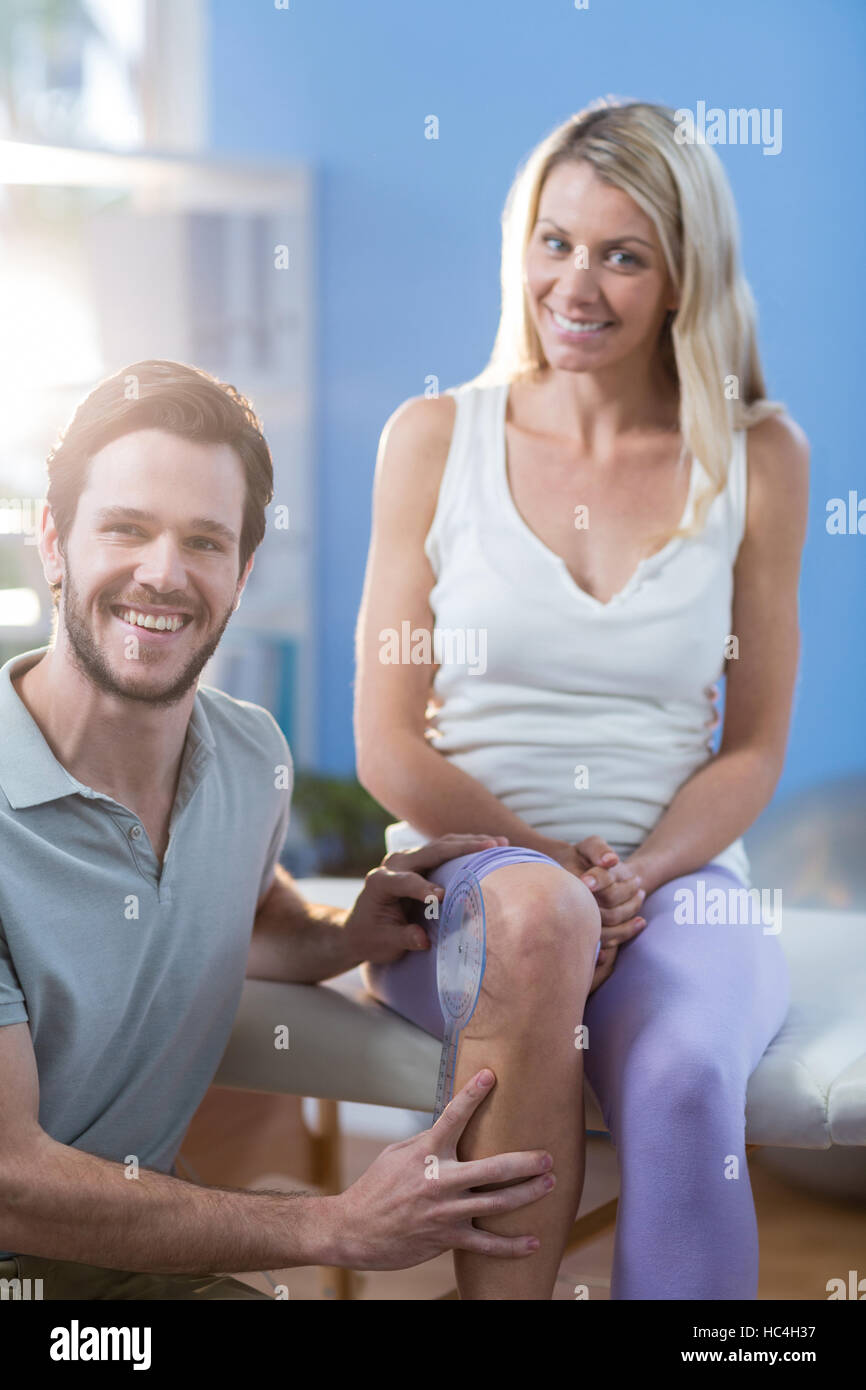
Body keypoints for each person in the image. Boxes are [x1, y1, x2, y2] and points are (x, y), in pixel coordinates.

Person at [354, 99, 810, 1300]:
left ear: (680, 278)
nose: (575, 282)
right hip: (467, 885)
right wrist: (558, 869)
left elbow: (753, 743)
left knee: (682, 1082)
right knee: (538, 918)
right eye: (553, 241)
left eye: (622, 253)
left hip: (670, 883)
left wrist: (638, 876)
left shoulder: (756, 457)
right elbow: (388, 744)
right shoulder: (433, 436)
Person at [0, 360, 558, 1301]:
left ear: (243, 570)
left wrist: (344, 935)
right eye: (126, 529)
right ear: (54, 540)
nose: (163, 575)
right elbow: (11, 1184)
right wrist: (333, 1225)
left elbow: (241, 911)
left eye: (205, 542)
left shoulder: (250, 755)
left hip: (129, 1271)